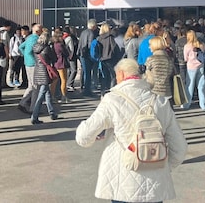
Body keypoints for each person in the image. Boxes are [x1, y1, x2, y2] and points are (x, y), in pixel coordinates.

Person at [75, 58, 187, 202]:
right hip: (156, 186)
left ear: (121, 74)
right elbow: (180, 148)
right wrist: (162, 167)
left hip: (122, 181)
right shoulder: (160, 102)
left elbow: (83, 136)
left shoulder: (112, 100)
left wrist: (92, 136)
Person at [30, 32, 58, 124]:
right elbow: (54, 58)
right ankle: (34, 116)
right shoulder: (47, 48)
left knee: (47, 93)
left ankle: (52, 113)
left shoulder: (35, 47)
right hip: (45, 73)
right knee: (41, 96)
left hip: (38, 71)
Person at [18, 23, 41, 113]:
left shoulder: (29, 38)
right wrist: (34, 60)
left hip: (27, 63)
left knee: (31, 86)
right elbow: (31, 51)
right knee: (35, 87)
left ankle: (23, 103)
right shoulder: (35, 39)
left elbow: (21, 47)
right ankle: (33, 108)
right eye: (41, 29)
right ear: (37, 31)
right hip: (33, 64)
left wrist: (25, 56)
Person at [184, 29, 205, 110]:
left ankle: (187, 104)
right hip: (201, 66)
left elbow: (185, 58)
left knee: (190, 85)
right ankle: (203, 105)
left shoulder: (187, 46)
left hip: (191, 67)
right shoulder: (201, 44)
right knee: (201, 86)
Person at [78, 19, 98, 97]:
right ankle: (87, 90)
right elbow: (90, 46)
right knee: (88, 73)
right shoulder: (91, 33)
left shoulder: (83, 32)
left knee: (85, 72)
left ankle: (84, 88)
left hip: (82, 54)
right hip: (87, 55)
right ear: (93, 26)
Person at [97, 23, 119, 95]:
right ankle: (112, 90)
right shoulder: (110, 37)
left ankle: (103, 91)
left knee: (104, 76)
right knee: (113, 75)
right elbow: (114, 48)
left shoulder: (99, 38)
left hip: (102, 59)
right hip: (110, 58)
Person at [52, 29, 70, 103]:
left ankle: (52, 96)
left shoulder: (53, 44)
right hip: (61, 63)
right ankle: (64, 96)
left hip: (55, 63)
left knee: (55, 80)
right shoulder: (60, 44)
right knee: (64, 80)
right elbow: (66, 53)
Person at [63, 26, 78, 93]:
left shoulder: (63, 37)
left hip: (65, 56)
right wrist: (71, 55)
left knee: (70, 70)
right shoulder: (70, 38)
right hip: (71, 56)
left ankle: (68, 83)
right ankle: (69, 84)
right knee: (74, 70)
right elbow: (72, 48)